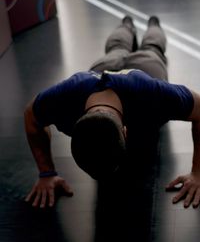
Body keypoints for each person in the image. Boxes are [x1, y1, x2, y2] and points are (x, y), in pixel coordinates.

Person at [24, 15, 200, 209]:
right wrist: (46, 173)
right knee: (116, 47)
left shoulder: (154, 96)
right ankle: (126, 24)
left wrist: (198, 172)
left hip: (147, 66)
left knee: (152, 47)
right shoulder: (63, 97)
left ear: (126, 131)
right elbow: (30, 116)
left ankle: (153, 23)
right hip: (104, 68)